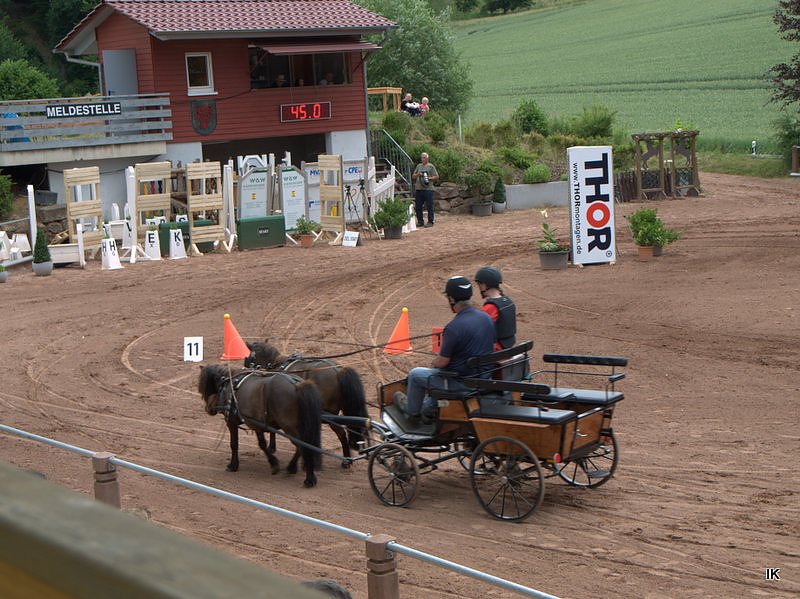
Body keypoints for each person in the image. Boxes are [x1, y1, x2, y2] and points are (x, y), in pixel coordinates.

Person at [394, 276, 496, 420]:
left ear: (452, 299)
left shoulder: (454, 327)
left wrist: (434, 363)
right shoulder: (486, 318)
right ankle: (430, 408)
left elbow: (443, 361)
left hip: (463, 383)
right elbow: (491, 346)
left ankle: (412, 411)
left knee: (416, 375)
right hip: (483, 378)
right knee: (440, 372)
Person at [475, 266, 517, 350]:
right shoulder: (508, 302)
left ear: (484, 285)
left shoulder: (490, 307)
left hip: (495, 351)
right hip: (509, 346)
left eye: (479, 284)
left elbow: (478, 331)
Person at [411, 152, 439, 227]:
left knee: (429, 205)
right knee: (418, 206)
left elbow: (436, 176)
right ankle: (420, 221)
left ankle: (430, 221)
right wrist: (418, 175)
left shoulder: (431, 166)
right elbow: (413, 176)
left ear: (427, 158)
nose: (422, 159)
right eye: (421, 157)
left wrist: (428, 178)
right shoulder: (419, 166)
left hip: (428, 189)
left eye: (424, 157)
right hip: (419, 189)